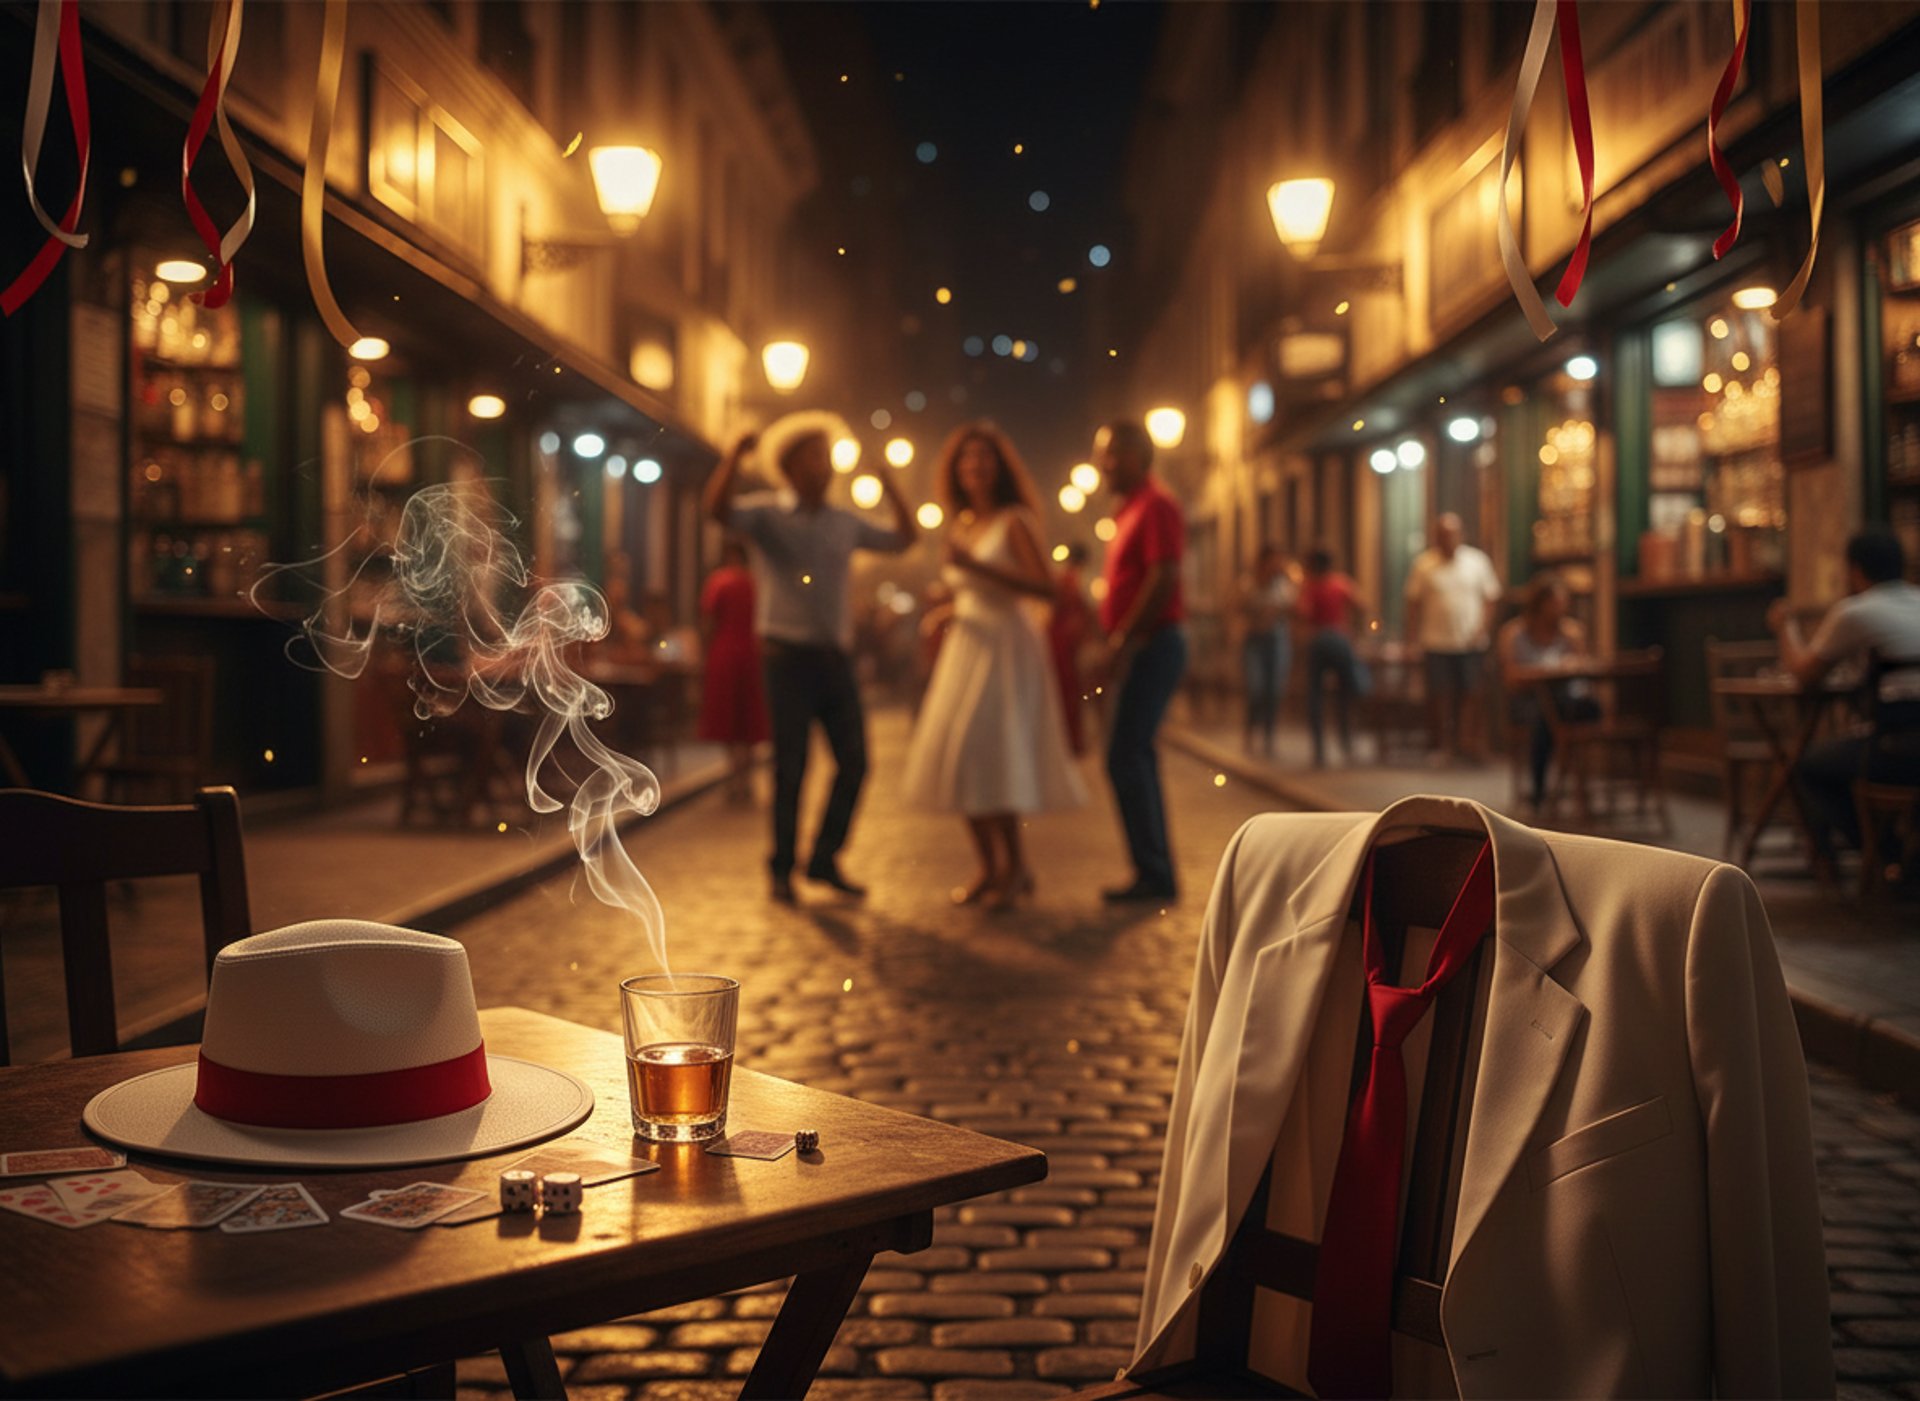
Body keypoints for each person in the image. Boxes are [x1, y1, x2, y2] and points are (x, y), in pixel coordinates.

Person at [704, 412, 916, 903]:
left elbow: (905, 539)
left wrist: (890, 482)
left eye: (826, 456)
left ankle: (823, 857)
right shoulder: (767, 514)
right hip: (785, 658)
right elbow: (717, 511)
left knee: (856, 762)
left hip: (834, 659)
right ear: (791, 466)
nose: (824, 466)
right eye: (813, 456)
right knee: (790, 767)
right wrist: (735, 454)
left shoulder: (846, 521)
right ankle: (781, 867)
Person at [900, 424, 1087, 908]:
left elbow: (1044, 586)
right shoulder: (961, 523)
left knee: (992, 751)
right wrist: (947, 604)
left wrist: (976, 568)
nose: (975, 467)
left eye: (984, 458)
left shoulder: (1014, 520)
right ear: (955, 471)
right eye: (966, 459)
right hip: (966, 644)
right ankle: (989, 865)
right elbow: (969, 590)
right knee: (960, 757)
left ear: (999, 468)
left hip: (1004, 648)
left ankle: (1017, 866)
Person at [1768, 528, 1920, 862]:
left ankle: (1884, 856)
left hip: (1896, 750)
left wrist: (1785, 625)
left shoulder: (1856, 612)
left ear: (1854, 569)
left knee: (1808, 767)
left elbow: (1805, 675)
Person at [1092, 419, 1187, 902]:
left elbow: (1163, 575)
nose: (1102, 464)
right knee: (1131, 755)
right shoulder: (1127, 510)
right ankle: (1152, 870)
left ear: (1137, 455)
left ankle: (1155, 872)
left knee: (1126, 754)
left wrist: (1124, 638)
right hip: (1142, 643)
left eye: (1110, 454)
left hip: (1155, 643)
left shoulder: (1156, 505)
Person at [1497, 571, 1600, 815]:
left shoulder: (1571, 632)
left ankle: (1558, 788)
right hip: (1527, 700)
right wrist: (1542, 672)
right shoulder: (1515, 633)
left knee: (1586, 707)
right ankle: (1542, 789)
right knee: (1543, 716)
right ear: (1540, 604)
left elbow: (1582, 669)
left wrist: (1573, 660)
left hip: (1566, 699)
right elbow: (1511, 678)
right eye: (1555, 603)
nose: (1561, 608)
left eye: (1564, 602)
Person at [1405, 512, 1503, 763]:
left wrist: (1482, 629)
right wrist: (1412, 640)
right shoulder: (1424, 564)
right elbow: (1413, 604)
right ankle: (1443, 746)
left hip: (1470, 642)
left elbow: (1491, 598)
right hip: (1436, 641)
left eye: (1452, 534)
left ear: (1461, 535)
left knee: (1472, 693)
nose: (1447, 539)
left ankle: (1468, 743)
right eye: (1442, 535)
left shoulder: (1477, 561)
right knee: (1440, 695)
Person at [697, 540, 767, 804]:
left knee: (727, 718)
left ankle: (734, 775)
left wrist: (705, 653)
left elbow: (708, 620)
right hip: (751, 654)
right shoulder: (755, 583)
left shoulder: (719, 581)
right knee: (748, 720)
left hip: (725, 653)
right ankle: (745, 777)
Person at [1298, 547, 1369, 767]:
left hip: (1318, 640)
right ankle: (1347, 743)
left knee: (1315, 695)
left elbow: (1302, 613)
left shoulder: (1310, 586)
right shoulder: (1341, 583)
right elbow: (1362, 605)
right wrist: (1357, 632)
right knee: (1345, 695)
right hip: (1340, 639)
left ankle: (1319, 750)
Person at [1235, 544, 1298, 756]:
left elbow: (1294, 607)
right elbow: (1236, 608)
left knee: (1274, 690)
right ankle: (1250, 733)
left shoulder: (1283, 584)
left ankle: (1269, 738)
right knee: (1256, 688)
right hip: (1254, 640)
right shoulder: (1248, 583)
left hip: (1277, 640)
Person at [1048, 543, 1094, 755]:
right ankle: (1068, 741)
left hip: (1068, 641)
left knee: (1071, 690)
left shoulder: (1070, 579)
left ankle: (1071, 740)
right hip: (1062, 642)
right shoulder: (1067, 580)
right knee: (1066, 690)